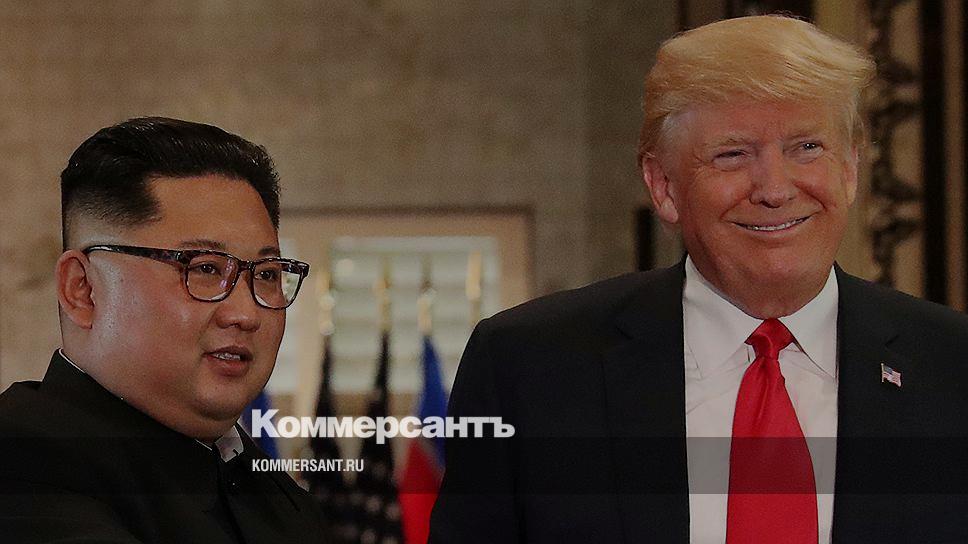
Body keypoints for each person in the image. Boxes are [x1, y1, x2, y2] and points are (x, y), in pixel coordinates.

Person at [430, 15, 968, 544]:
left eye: (807, 147)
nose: (775, 189)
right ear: (664, 186)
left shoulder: (954, 367)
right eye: (733, 154)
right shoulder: (528, 368)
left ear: (849, 168)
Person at [0, 117, 327, 543]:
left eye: (266, 274)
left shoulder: (271, 489)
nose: (246, 314)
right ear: (82, 290)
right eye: (205, 268)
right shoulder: (22, 464)